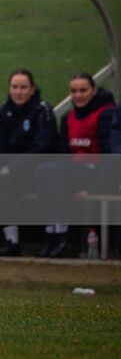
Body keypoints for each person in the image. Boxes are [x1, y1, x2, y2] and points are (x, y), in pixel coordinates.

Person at [0, 69, 57, 255]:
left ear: (32, 89)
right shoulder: (3, 112)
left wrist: (13, 167)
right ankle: (7, 238)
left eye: (23, 87)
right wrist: (2, 166)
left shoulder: (43, 111)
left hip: (38, 171)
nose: (19, 92)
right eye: (15, 87)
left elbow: (42, 148)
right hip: (8, 171)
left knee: (4, 182)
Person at [36, 72, 115, 257]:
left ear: (94, 90)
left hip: (95, 172)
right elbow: (63, 152)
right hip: (72, 173)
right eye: (74, 91)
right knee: (43, 170)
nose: (78, 95)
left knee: (55, 172)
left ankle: (62, 232)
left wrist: (95, 188)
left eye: (83, 90)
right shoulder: (69, 118)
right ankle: (50, 231)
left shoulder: (106, 114)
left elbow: (111, 155)